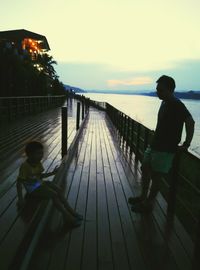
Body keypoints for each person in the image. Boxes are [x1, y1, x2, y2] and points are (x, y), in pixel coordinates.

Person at [129, 75, 195, 212]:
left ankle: (148, 204)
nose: (158, 92)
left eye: (161, 90)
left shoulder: (177, 104)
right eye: (157, 89)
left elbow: (190, 122)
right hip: (154, 145)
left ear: (170, 90)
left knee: (157, 177)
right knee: (145, 168)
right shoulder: (164, 102)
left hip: (165, 149)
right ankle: (143, 196)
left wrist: (186, 144)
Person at [16, 141, 82, 227]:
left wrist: (52, 173)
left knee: (58, 189)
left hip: (39, 183)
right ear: (30, 154)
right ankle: (67, 216)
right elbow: (19, 183)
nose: (41, 155)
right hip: (32, 189)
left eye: (41, 153)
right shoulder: (25, 166)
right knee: (53, 194)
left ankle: (71, 210)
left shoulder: (37, 163)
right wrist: (20, 199)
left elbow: (40, 176)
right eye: (38, 153)